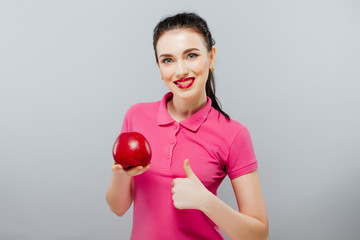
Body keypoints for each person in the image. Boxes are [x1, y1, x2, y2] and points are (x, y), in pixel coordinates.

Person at [106, 12, 268, 240]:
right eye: (168, 60)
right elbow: (118, 207)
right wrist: (122, 175)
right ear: (159, 66)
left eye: (191, 55)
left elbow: (259, 235)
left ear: (211, 57)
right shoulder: (136, 117)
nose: (180, 71)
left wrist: (207, 202)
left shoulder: (234, 134)